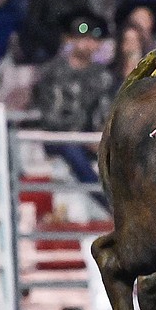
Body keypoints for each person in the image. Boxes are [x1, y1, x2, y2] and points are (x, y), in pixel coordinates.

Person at [31, 11, 116, 203]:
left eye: (93, 39)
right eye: (81, 38)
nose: (87, 44)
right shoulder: (52, 72)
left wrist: (100, 137)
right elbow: (51, 117)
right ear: (70, 39)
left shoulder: (102, 75)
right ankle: (109, 204)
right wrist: (84, 137)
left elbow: (105, 111)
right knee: (72, 150)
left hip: (90, 138)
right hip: (58, 137)